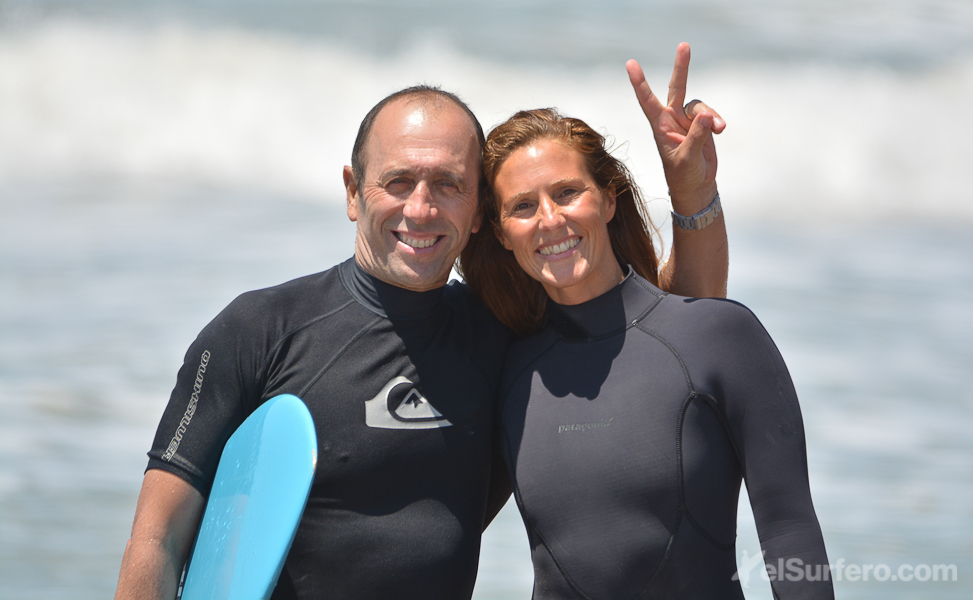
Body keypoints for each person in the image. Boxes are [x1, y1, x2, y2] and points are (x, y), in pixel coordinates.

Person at [114, 46, 728, 600]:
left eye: (448, 185)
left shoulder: (504, 332)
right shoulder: (260, 329)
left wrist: (692, 193)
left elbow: (666, 331)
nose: (421, 208)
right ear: (354, 193)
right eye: (397, 182)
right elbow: (157, 541)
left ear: (479, 211)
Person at [459, 45, 835, 599]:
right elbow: (438, 530)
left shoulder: (717, 337)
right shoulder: (507, 366)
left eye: (567, 193)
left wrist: (694, 191)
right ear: (498, 231)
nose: (550, 220)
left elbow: (789, 528)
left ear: (609, 201)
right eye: (522, 206)